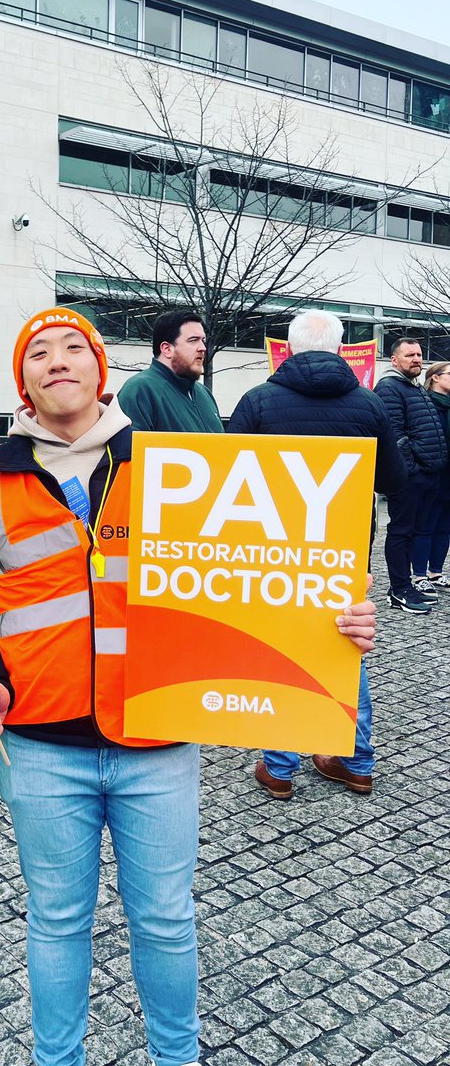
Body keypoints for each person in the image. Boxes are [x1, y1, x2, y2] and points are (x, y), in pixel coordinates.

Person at [0, 307, 376, 1066]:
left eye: (73, 346)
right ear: (23, 379)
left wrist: (334, 620)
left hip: (158, 740)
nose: (56, 361)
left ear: (100, 367)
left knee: (167, 922)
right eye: (37, 352)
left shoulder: (176, 470)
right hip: (40, 744)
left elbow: (256, 580)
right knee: (57, 921)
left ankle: (178, 1058)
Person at [228, 310, 405, 800]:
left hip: (274, 550)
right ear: (340, 347)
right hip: (344, 550)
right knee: (347, 647)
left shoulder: (258, 401)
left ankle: (280, 767)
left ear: (288, 347)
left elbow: (227, 481)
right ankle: (356, 761)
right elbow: (393, 482)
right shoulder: (369, 404)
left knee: (282, 648)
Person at [373, 338, 447, 613]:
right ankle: (399, 590)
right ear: (394, 360)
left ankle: (405, 586)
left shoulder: (413, 388)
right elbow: (394, 435)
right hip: (409, 478)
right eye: (409, 355)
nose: (416, 359)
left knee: (414, 532)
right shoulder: (390, 388)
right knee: (401, 532)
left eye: (418, 354)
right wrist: (411, 469)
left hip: (427, 476)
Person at [117, 308, 223, 432]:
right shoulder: (140, 390)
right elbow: (129, 449)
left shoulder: (204, 394)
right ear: (167, 349)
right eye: (193, 340)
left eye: (203, 340)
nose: (203, 348)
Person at [410, 361, 450, 591]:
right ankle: (419, 575)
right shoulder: (425, 403)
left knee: (444, 527)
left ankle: (436, 572)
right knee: (425, 525)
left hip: (448, 476)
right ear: (435, 377)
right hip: (431, 473)